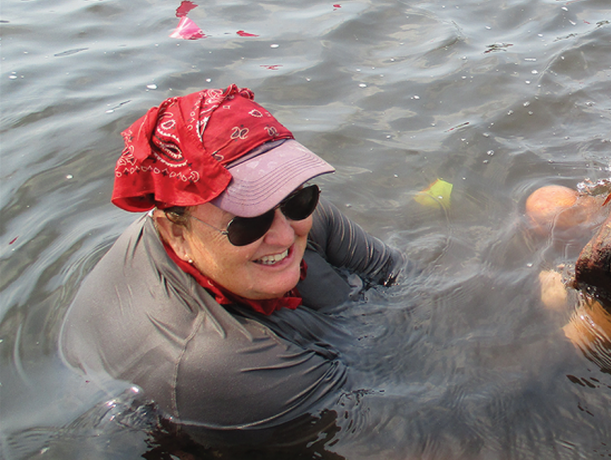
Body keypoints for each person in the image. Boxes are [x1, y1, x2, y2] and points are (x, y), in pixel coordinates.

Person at [60, 85, 406, 432]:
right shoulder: (219, 363)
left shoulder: (274, 215)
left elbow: (398, 276)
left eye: (295, 196)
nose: (285, 234)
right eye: (248, 220)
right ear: (176, 234)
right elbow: (385, 431)